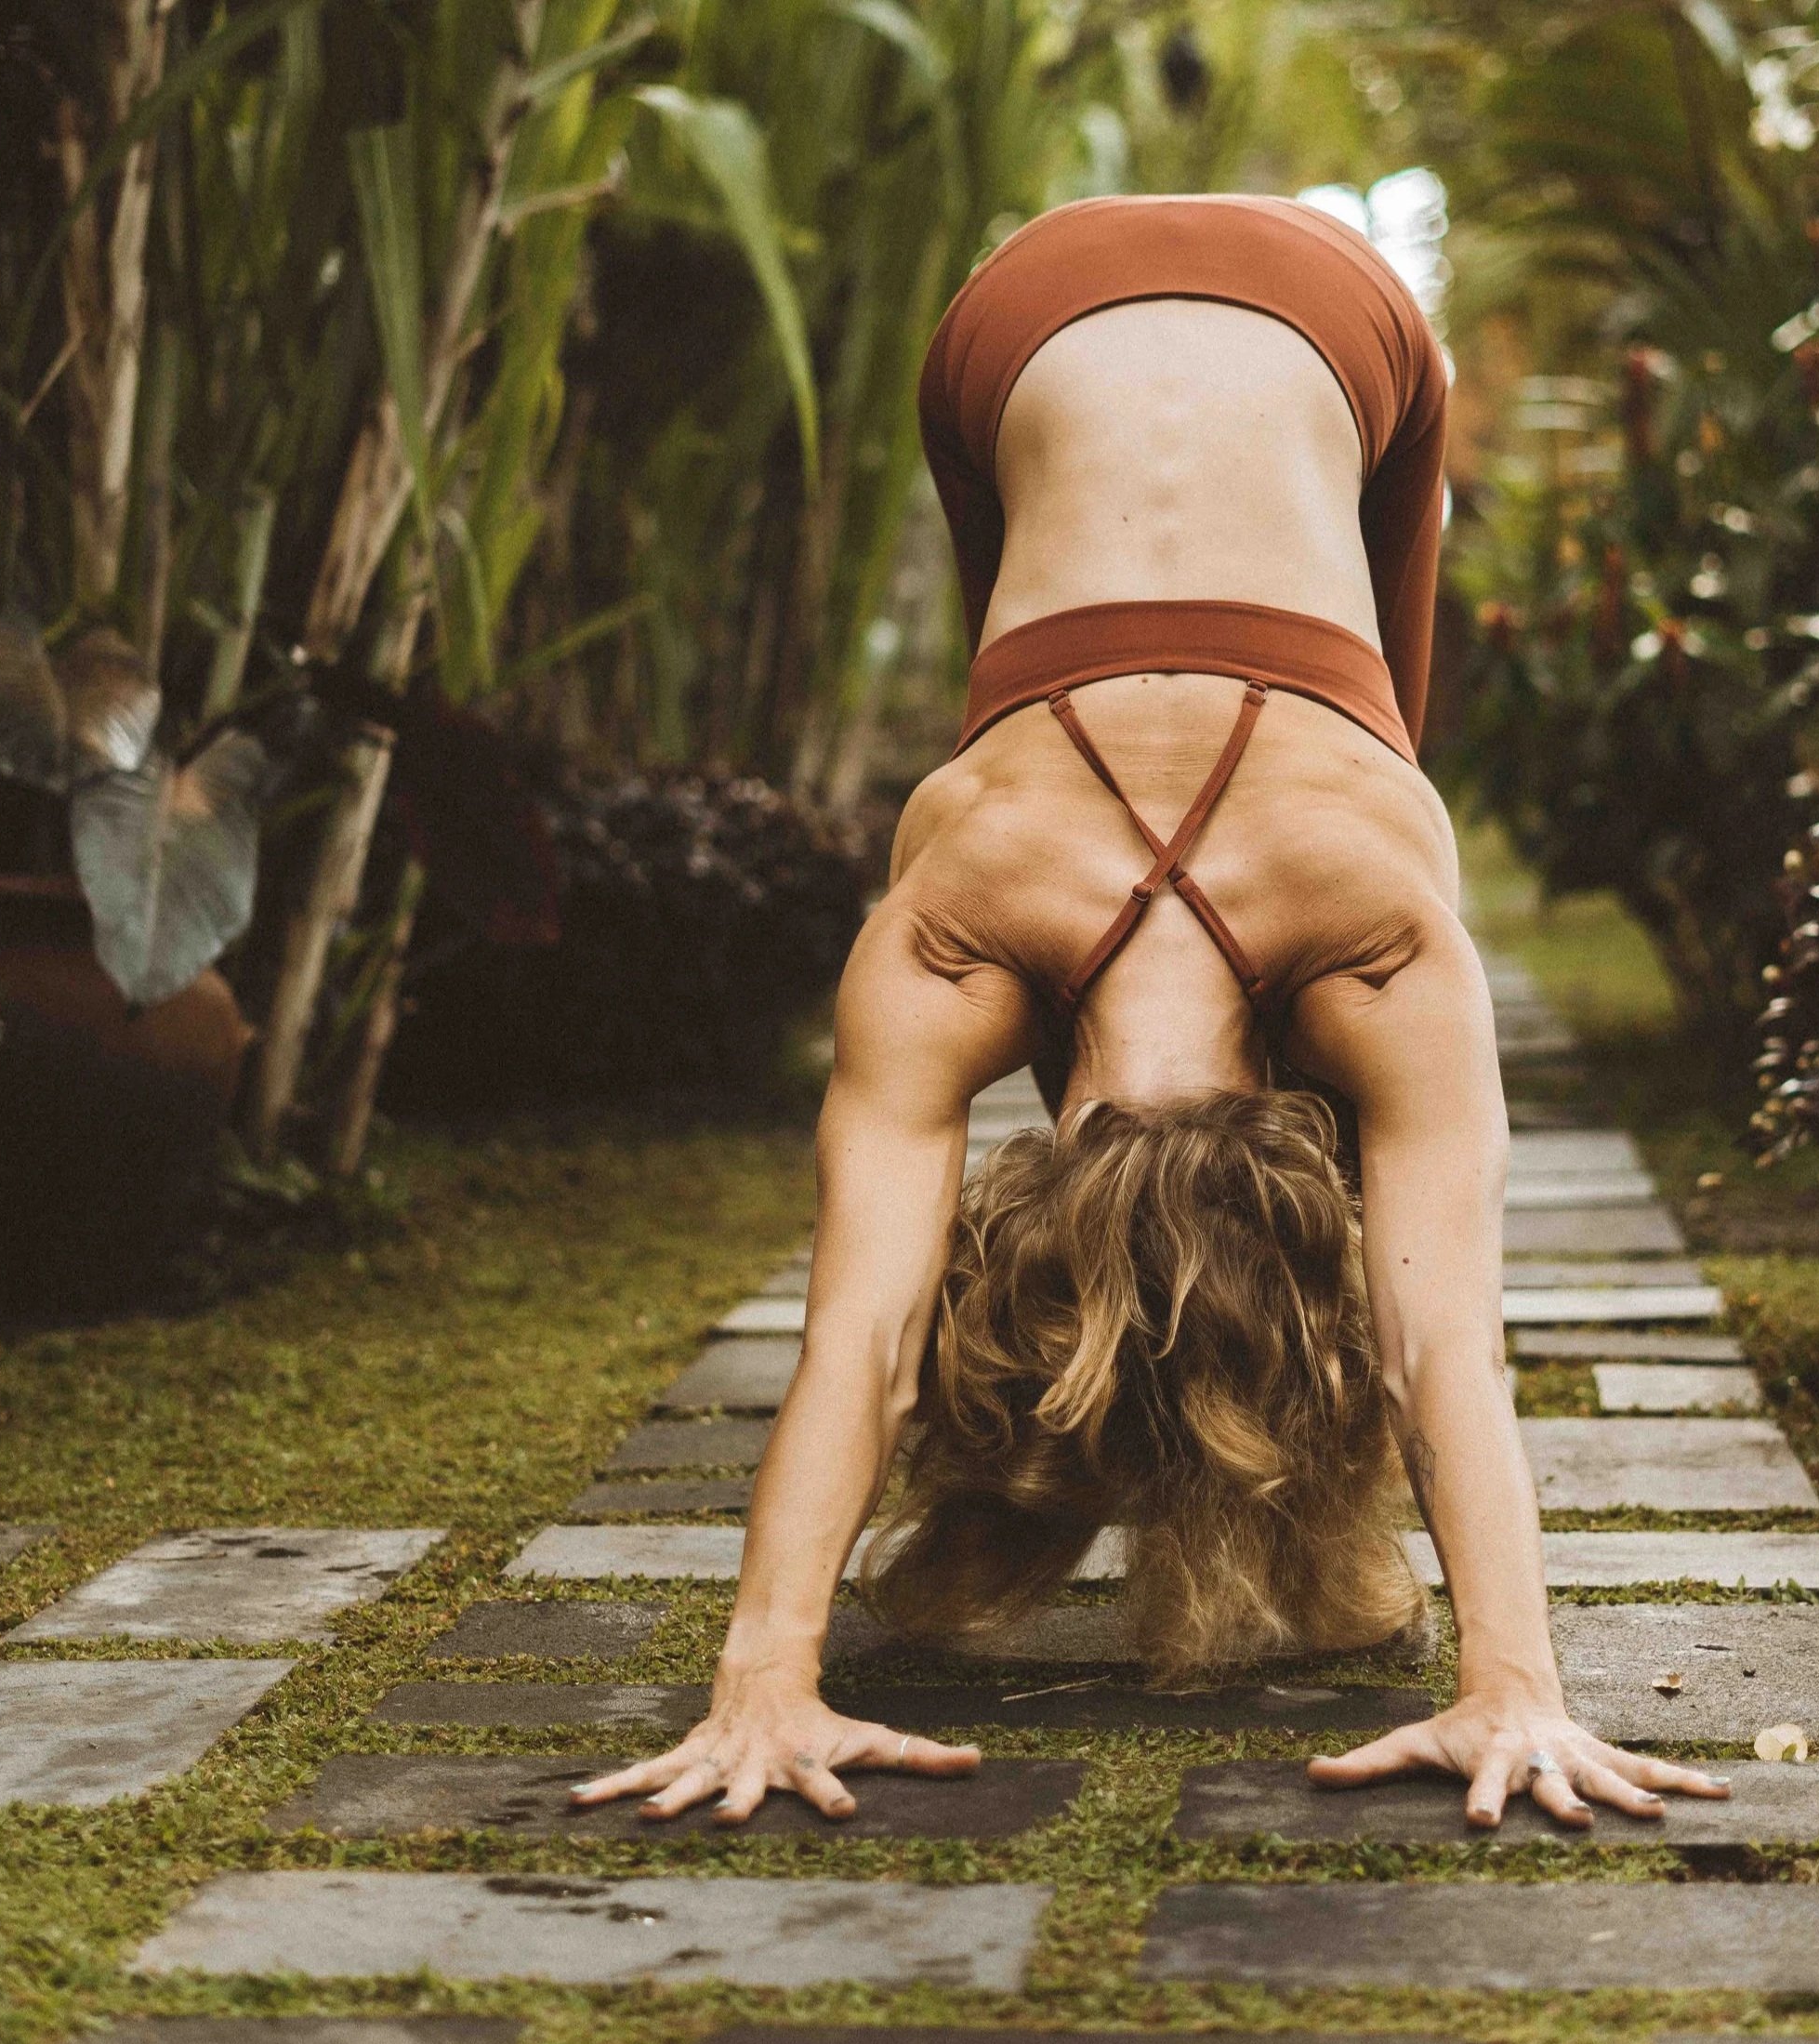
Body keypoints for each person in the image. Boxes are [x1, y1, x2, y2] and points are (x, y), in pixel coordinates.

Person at [573, 193, 1730, 1832]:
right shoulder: (978, 926)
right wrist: (1509, 1689)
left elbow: (869, 1332)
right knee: (1297, 722)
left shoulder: (1350, 937)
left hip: (1325, 321)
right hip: (1012, 328)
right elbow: (1435, 1337)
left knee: (1381, 741)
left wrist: (772, 1679)